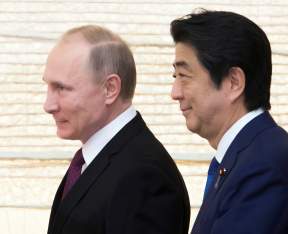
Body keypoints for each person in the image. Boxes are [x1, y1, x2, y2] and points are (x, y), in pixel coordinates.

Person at [170, 9, 288, 234]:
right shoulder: (248, 156)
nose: (175, 92)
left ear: (233, 82)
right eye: (175, 77)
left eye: (184, 76)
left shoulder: (264, 168)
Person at [43, 25, 190, 234]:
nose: (48, 105)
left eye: (62, 88)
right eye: (47, 87)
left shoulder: (144, 177)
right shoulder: (97, 158)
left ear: (110, 89)